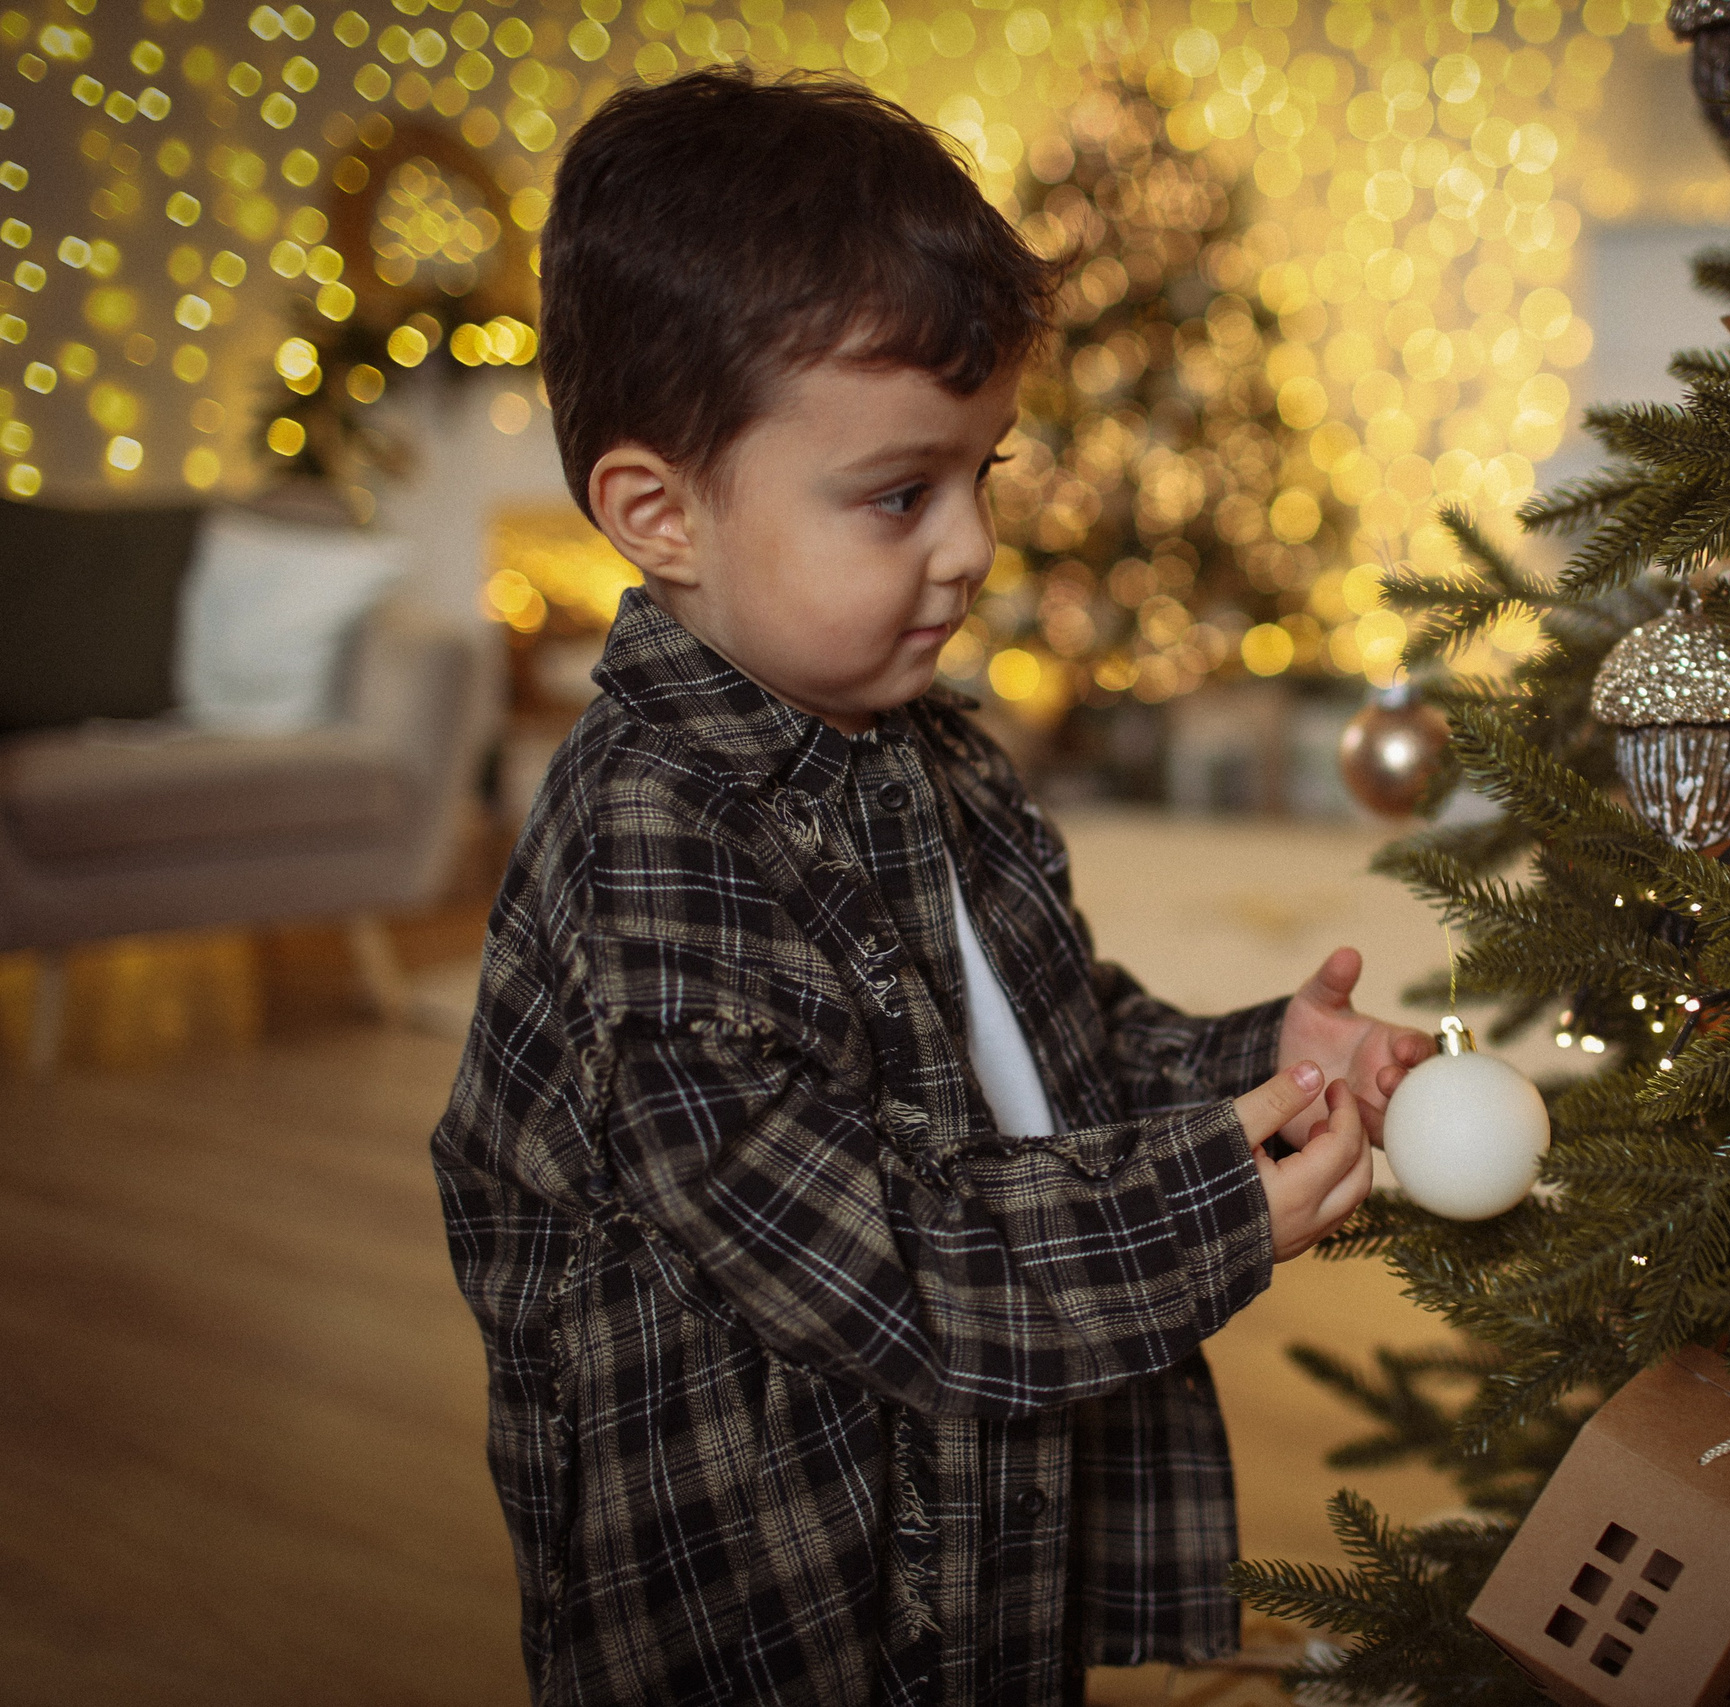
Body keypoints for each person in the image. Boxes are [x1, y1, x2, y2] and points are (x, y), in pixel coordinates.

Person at [432, 68, 1434, 1706]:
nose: (968, 547)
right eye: (900, 495)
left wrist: (1260, 1069)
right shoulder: (651, 852)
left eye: (984, 475)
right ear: (657, 514)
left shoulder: (927, 746)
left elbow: (1038, 1056)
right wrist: (1206, 1209)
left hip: (971, 1552)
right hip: (777, 1605)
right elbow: (883, 1255)